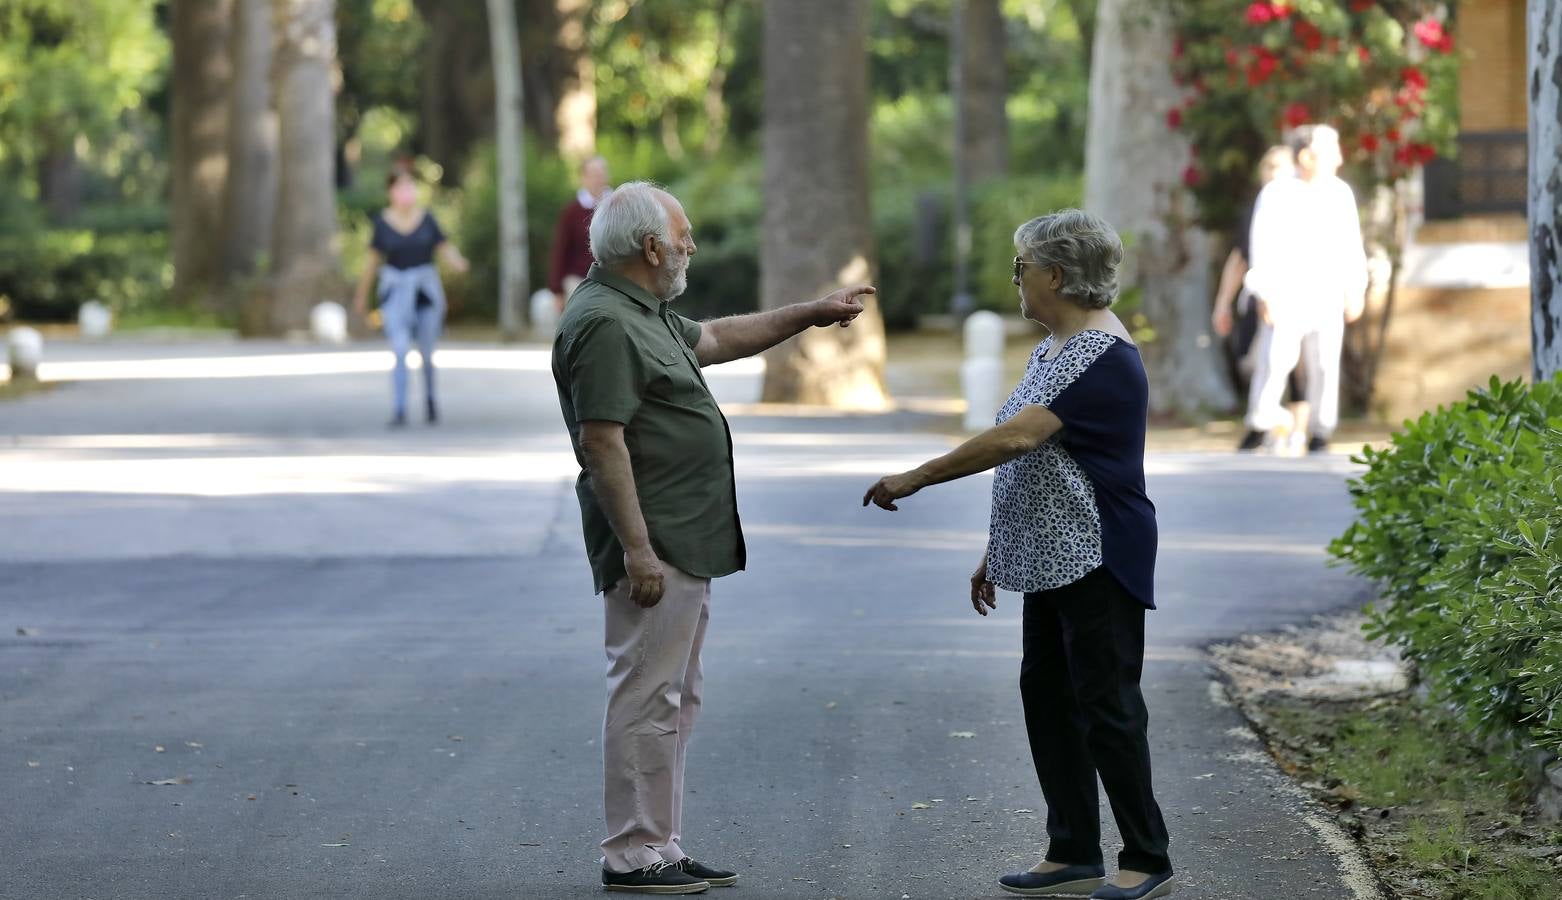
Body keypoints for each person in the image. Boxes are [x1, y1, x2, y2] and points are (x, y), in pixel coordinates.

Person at [551, 181, 873, 894]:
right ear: (650, 247)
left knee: (672, 698)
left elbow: (718, 339)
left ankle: (658, 843)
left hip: (680, 541)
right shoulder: (605, 322)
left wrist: (809, 315)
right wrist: (636, 550)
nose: (691, 245)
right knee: (645, 695)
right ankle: (631, 853)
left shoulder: (644, 309)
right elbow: (601, 443)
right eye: (684, 235)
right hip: (654, 542)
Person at [863, 209, 1174, 900]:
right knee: (1049, 699)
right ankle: (1072, 849)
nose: (1016, 280)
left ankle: (1147, 857)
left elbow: (1016, 439)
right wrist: (998, 546)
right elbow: (1039, 463)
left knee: (1108, 706)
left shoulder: (1103, 356)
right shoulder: (1054, 348)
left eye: (1022, 268)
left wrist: (915, 476)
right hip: (1051, 554)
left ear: (1056, 276)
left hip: (1099, 552)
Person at [1241, 124, 1368, 454]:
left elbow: (1352, 246)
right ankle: (1260, 424)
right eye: (1330, 150)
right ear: (1307, 156)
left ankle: (1320, 432)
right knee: (1275, 360)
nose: (1338, 158)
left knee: (1325, 364)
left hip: (1326, 293)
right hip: (1286, 293)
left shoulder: (1340, 194)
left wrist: (1356, 289)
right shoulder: (1277, 192)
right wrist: (1263, 291)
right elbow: (1261, 244)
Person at [351, 162, 469, 427]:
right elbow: (372, 262)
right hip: (395, 293)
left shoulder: (426, 219)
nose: (406, 191)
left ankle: (429, 401)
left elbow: (444, 247)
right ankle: (400, 407)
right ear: (390, 190)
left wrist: (459, 263)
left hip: (425, 292)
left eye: (409, 185)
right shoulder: (382, 223)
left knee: (426, 353)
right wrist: (362, 295)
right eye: (400, 186)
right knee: (400, 349)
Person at [1210, 145, 1309, 452]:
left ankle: (1289, 429)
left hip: (1295, 296)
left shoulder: (1304, 203)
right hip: (1261, 295)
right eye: (1268, 167)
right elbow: (1242, 257)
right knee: (1256, 361)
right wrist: (1224, 302)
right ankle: (1270, 421)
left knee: (1290, 365)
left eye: (1278, 167)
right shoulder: (1260, 207)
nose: (1272, 173)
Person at [548, 155, 612, 310]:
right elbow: (560, 250)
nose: (598, 179)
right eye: (594, 175)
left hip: (613, 277)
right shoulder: (571, 212)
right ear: (583, 178)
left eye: (601, 174)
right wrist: (557, 289)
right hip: (580, 278)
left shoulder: (617, 206)